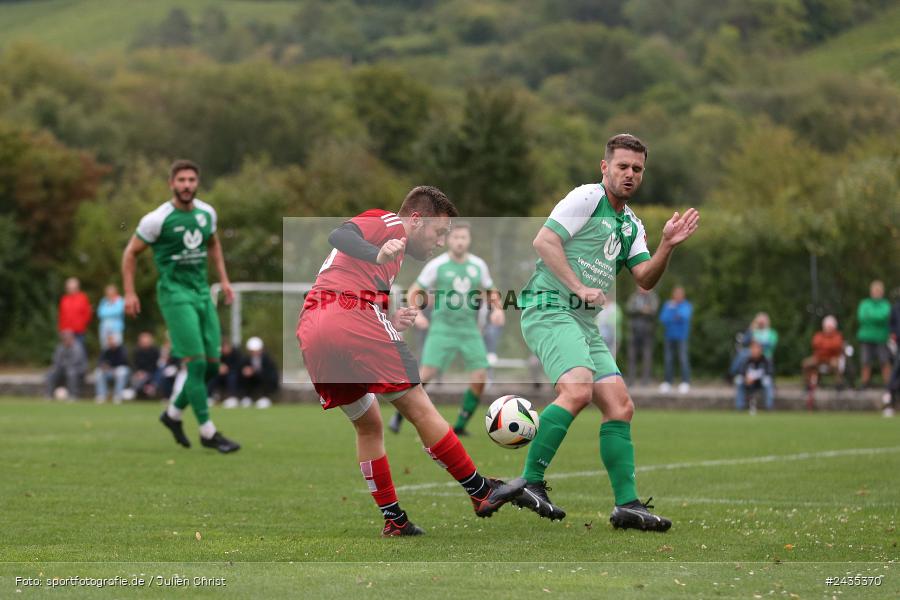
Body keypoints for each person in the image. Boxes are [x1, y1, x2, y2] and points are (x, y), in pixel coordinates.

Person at [491, 134, 699, 531]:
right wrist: (578, 287)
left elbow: (645, 279)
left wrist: (668, 245)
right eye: (622, 166)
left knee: (620, 406)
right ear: (605, 167)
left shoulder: (632, 225)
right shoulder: (587, 197)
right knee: (578, 390)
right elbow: (544, 241)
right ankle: (530, 481)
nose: (630, 174)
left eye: (637, 169)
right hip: (548, 307)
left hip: (582, 323)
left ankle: (627, 506)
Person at [296, 185, 523, 537]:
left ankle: (394, 520)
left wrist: (388, 312)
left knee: (368, 424)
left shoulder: (393, 255)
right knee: (419, 406)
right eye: (439, 232)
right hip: (349, 314)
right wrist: (376, 255)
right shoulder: (389, 223)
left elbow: (350, 276)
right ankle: (481, 492)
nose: (440, 241)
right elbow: (338, 234)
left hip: (313, 326)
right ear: (416, 220)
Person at [122, 159, 239, 453]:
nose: (187, 185)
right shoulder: (157, 220)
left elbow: (213, 244)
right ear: (172, 184)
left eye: (191, 180)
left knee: (213, 366)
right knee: (197, 364)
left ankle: (173, 414)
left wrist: (224, 280)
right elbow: (130, 254)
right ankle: (208, 432)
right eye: (181, 180)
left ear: (197, 183)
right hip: (175, 296)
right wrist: (129, 292)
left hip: (201, 294)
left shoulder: (206, 213)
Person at [387, 222, 504, 436]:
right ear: (449, 240)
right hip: (442, 328)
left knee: (480, 376)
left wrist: (497, 309)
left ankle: (460, 425)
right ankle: (399, 416)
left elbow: (490, 290)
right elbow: (415, 290)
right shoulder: (437, 265)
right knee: (426, 374)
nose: (459, 241)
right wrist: (418, 314)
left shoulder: (478, 265)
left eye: (463, 238)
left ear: (469, 241)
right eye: (456, 237)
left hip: (469, 330)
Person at [802, 315, 845, 410]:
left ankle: (838, 385)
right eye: (827, 326)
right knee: (806, 363)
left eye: (830, 327)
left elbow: (836, 346)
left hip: (832, 358)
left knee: (836, 364)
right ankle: (807, 384)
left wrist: (825, 346)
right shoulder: (819, 335)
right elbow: (815, 344)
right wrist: (827, 346)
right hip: (819, 358)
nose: (828, 329)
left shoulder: (838, 336)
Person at [857, 280, 892, 389]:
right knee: (865, 361)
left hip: (881, 337)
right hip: (866, 337)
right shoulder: (864, 303)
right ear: (871, 292)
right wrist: (877, 318)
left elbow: (885, 317)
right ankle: (864, 383)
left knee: (884, 361)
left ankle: (889, 384)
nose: (876, 293)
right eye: (874, 291)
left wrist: (871, 316)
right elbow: (862, 317)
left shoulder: (885, 304)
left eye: (878, 291)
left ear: (882, 292)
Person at [659, 286, 693, 394]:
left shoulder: (686, 305)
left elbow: (684, 316)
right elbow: (663, 318)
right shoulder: (668, 304)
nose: (677, 296)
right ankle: (668, 382)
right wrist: (674, 315)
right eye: (676, 294)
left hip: (682, 337)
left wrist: (673, 311)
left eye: (680, 294)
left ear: (683, 295)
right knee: (668, 359)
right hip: (669, 336)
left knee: (683, 359)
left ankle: (685, 382)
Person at [625, 286, 659, 386]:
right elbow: (629, 308)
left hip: (647, 332)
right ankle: (630, 380)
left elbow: (653, 310)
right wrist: (642, 310)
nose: (642, 289)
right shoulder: (634, 296)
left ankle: (645, 381)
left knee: (647, 356)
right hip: (634, 331)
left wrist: (642, 310)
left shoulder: (653, 297)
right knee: (631, 356)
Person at [238, 336, 279, 408]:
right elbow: (239, 370)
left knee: (265, 378)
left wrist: (254, 372)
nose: (255, 353)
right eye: (252, 351)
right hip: (253, 382)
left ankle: (265, 398)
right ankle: (246, 398)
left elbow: (270, 375)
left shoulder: (267, 359)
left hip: (266, 383)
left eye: (257, 350)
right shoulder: (246, 359)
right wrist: (244, 371)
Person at [46, 330, 88, 400]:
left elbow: (75, 361)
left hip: (78, 369)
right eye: (64, 338)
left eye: (67, 338)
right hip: (63, 369)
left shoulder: (78, 347)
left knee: (71, 373)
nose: (66, 340)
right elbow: (56, 360)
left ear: (72, 338)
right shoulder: (60, 347)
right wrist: (60, 366)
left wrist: (63, 364)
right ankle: (49, 395)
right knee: (52, 372)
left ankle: (73, 395)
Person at [734, 341, 774, 413]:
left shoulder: (766, 360)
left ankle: (769, 407)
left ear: (761, 350)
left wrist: (755, 378)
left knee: (767, 381)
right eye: (753, 348)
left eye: (757, 348)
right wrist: (746, 378)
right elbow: (742, 372)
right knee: (738, 380)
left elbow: (769, 373)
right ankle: (739, 407)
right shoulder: (746, 360)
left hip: (760, 382)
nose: (755, 350)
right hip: (748, 382)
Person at [94, 333, 131, 403]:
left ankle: (117, 395)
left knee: (121, 372)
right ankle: (101, 395)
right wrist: (103, 366)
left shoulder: (122, 350)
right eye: (109, 340)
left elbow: (124, 362)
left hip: (118, 370)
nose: (110, 342)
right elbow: (100, 362)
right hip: (109, 372)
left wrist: (113, 368)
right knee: (98, 372)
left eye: (112, 340)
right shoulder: (105, 351)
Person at [58, 277, 92, 350]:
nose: (71, 289)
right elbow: (61, 315)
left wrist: (82, 324)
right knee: (66, 351)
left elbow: (87, 313)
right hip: (66, 331)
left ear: (77, 288)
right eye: (69, 288)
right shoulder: (64, 299)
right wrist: (61, 329)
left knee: (80, 350)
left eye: (73, 287)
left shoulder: (83, 298)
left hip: (79, 330)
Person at [209, 339, 242, 407]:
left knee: (232, 377)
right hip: (221, 375)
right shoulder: (219, 355)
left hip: (234, 374)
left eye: (225, 347)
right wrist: (219, 367)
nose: (224, 350)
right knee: (212, 376)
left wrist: (228, 369)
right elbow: (215, 364)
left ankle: (233, 398)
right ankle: (210, 397)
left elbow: (239, 366)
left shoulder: (236, 353)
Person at [131, 331, 162, 399]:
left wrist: (146, 373)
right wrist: (138, 372)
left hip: (152, 372)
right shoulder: (136, 351)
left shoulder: (155, 351)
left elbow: (156, 364)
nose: (145, 343)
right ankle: (140, 392)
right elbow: (134, 364)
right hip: (139, 373)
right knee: (135, 381)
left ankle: (152, 387)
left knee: (160, 371)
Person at [97, 284, 125, 349]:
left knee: (116, 346)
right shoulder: (104, 301)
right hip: (104, 328)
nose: (109, 294)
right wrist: (111, 311)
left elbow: (118, 311)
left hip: (116, 329)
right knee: (105, 347)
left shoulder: (120, 300)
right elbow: (100, 313)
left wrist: (107, 312)